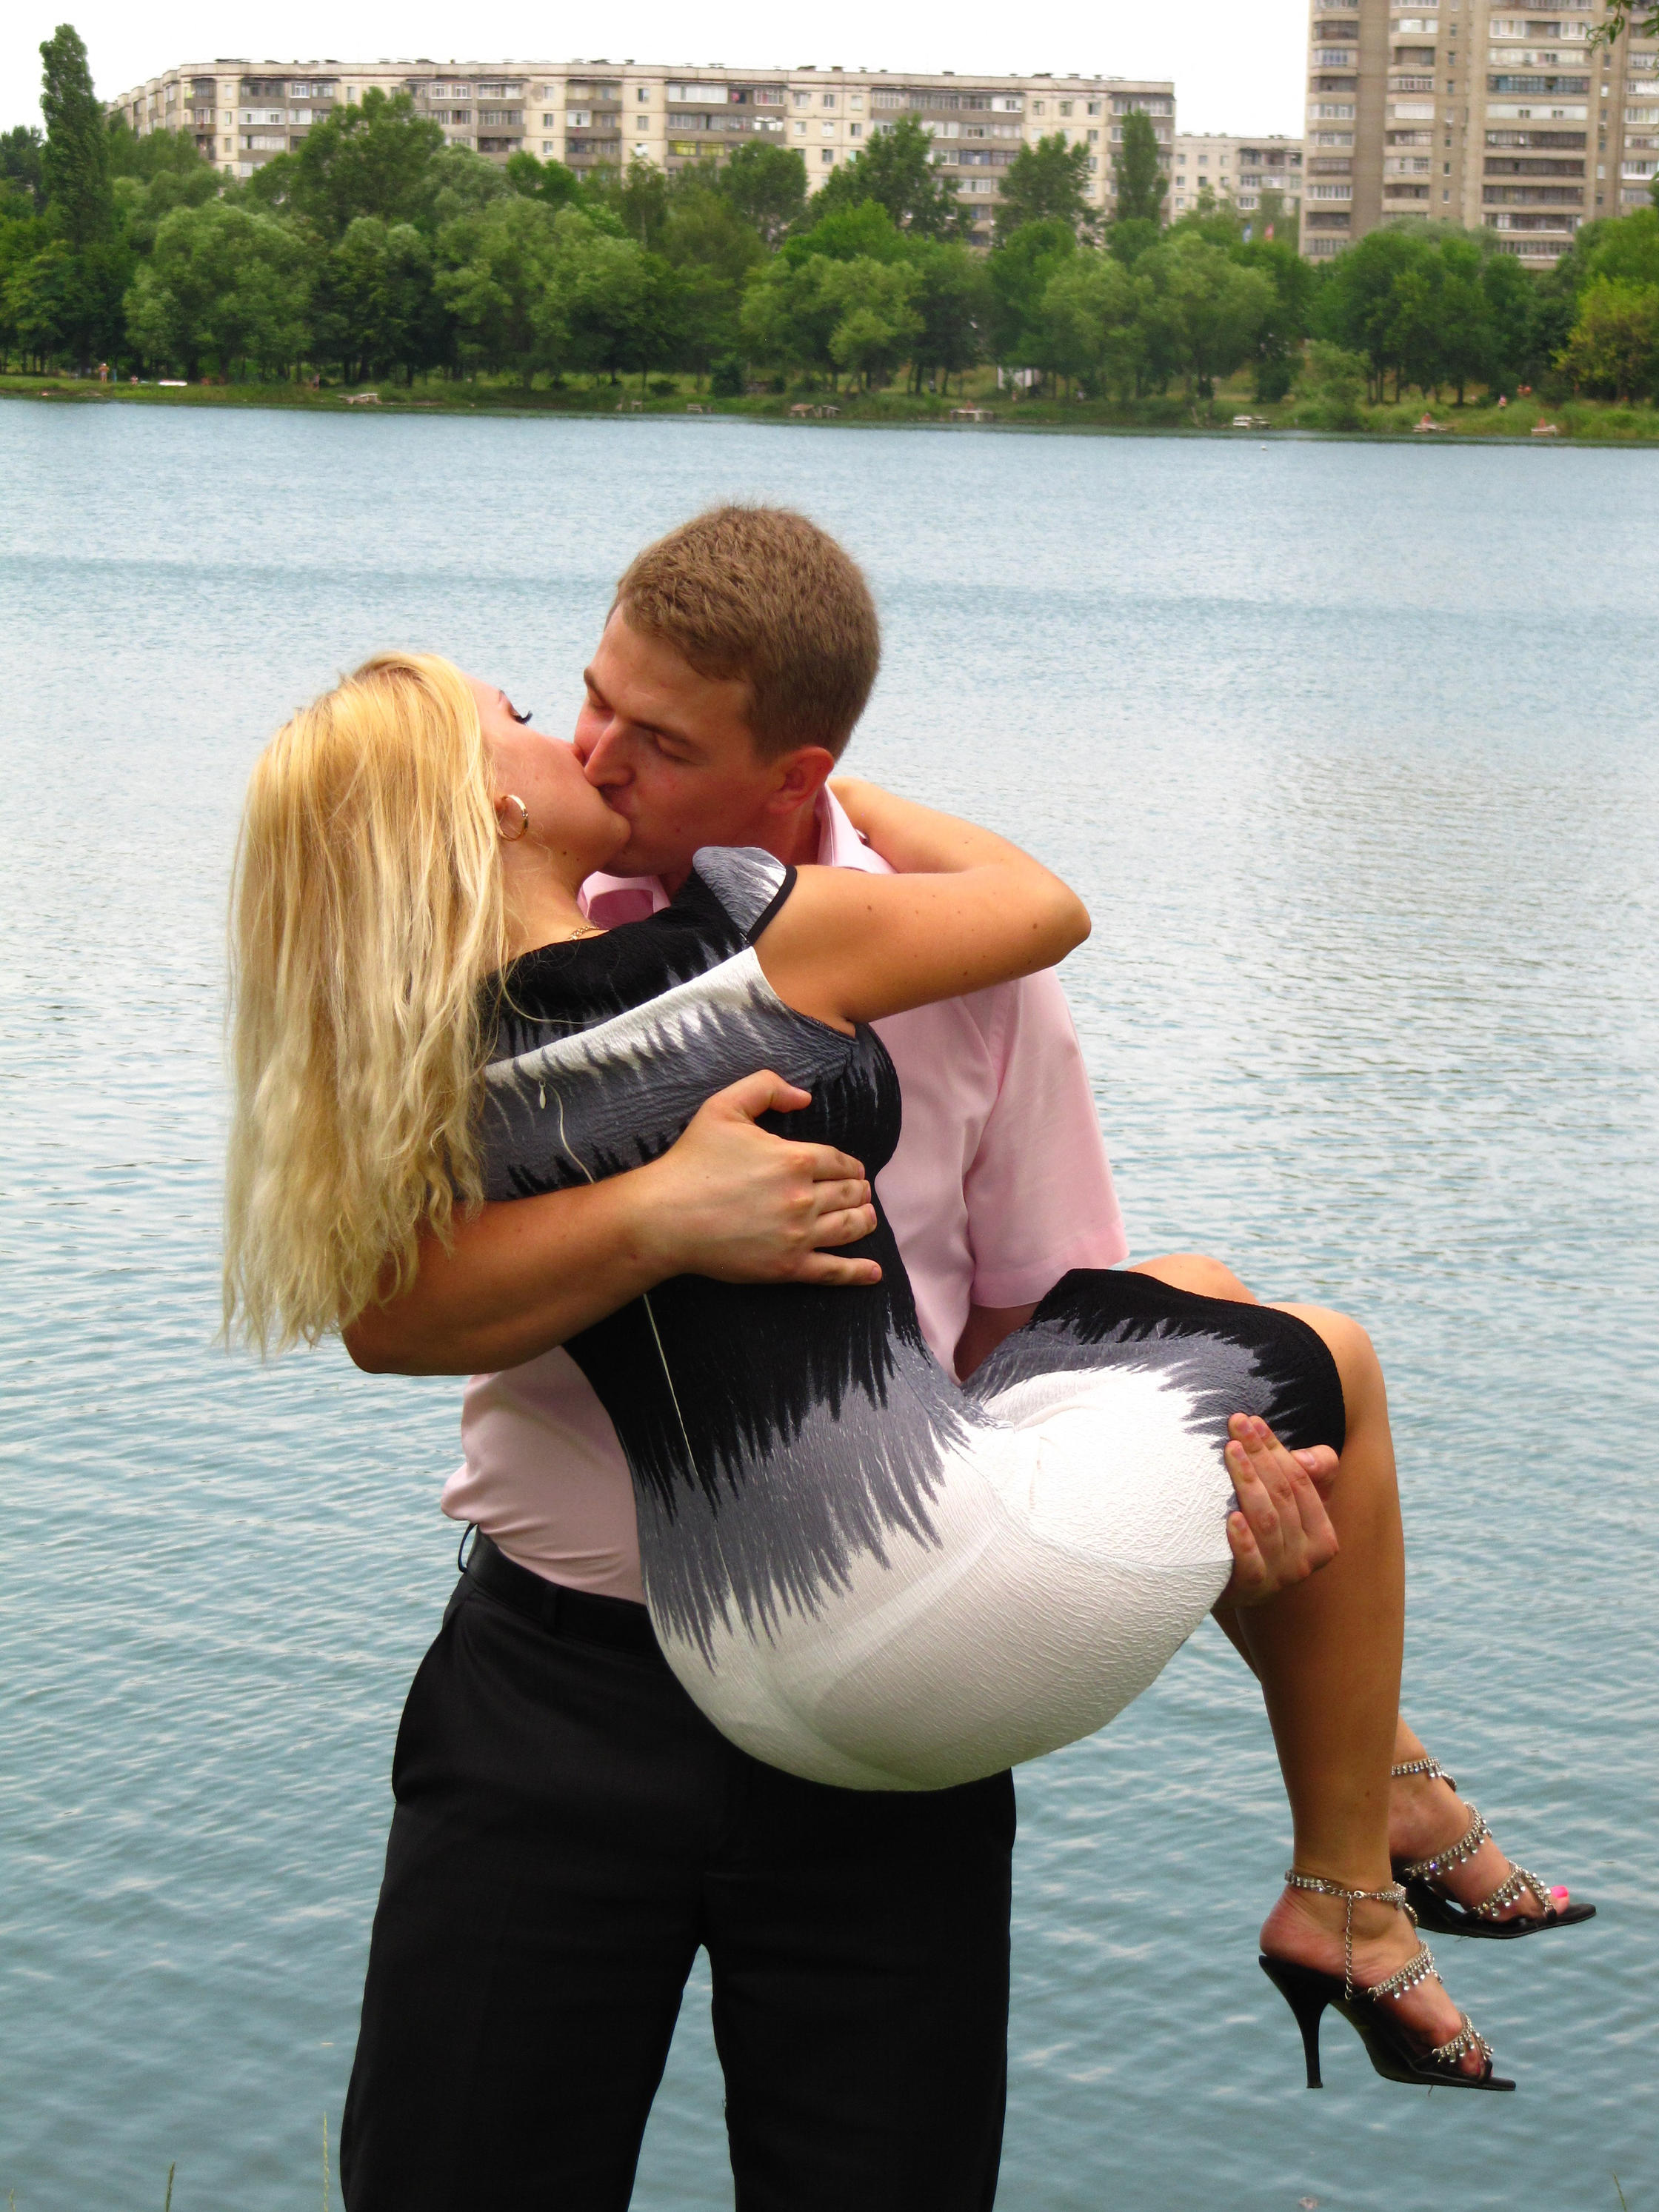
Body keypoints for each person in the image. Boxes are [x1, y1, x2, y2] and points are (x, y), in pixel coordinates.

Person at [224, 518, 1592, 2210]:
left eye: (658, 739)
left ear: (793, 771)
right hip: (559, 1697)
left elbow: (1029, 1332)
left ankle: (1370, 1794)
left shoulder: (942, 967)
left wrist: (1224, 1548)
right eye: (579, 704)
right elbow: (390, 1318)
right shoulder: (448, 963)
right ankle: (1374, 1815)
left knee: (1205, 1308)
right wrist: (655, 1215)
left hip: (891, 1698)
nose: (594, 751)